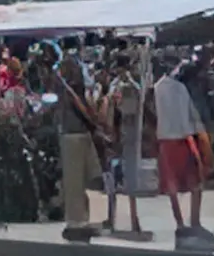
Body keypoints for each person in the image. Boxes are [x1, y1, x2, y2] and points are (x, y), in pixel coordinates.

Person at [155, 58, 214, 250]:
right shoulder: (181, 89)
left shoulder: (155, 90)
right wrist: (204, 138)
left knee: (172, 186)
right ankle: (195, 221)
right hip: (184, 139)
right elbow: (193, 116)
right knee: (195, 183)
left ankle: (180, 224)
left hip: (165, 141)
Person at [50, 55, 107, 242]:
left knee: (86, 179)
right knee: (82, 180)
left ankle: (85, 220)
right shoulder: (69, 89)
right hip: (77, 134)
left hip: (78, 134)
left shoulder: (73, 89)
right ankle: (81, 221)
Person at [103, 54, 148, 238]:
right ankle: (112, 218)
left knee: (128, 179)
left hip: (124, 135)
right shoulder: (116, 86)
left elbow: (133, 108)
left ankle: (133, 219)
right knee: (113, 179)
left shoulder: (130, 86)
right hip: (117, 134)